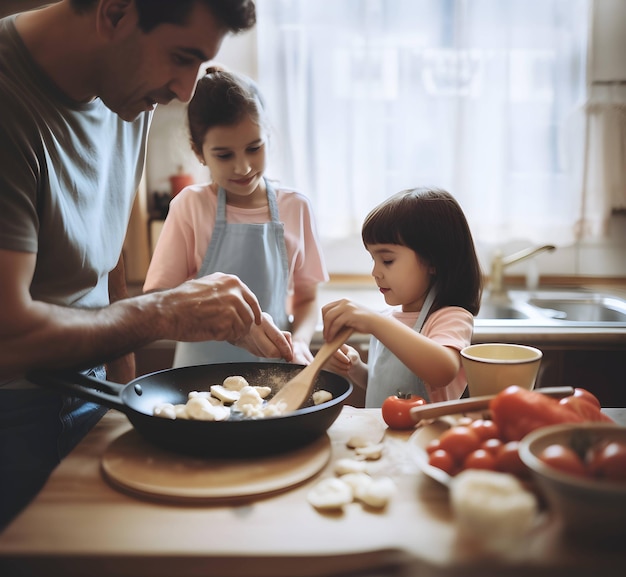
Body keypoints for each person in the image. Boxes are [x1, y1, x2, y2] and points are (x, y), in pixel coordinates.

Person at [0, 0, 294, 529]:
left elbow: (107, 246)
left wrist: (123, 383)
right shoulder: (9, 102)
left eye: (198, 66)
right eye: (181, 57)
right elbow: (7, 338)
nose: (186, 91)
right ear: (114, 13)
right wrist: (163, 311)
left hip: (92, 391)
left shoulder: (128, 96)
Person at [144, 66, 328, 366]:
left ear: (267, 136)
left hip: (274, 375)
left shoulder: (296, 207)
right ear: (199, 152)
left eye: (254, 148)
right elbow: (159, 301)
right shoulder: (188, 206)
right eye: (224, 155)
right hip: (198, 380)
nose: (242, 167)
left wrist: (301, 343)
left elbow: (306, 298)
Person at [321, 187, 483, 407]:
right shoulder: (387, 319)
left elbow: (443, 371)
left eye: (387, 260)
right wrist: (356, 368)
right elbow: (388, 389)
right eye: (373, 260)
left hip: (421, 440)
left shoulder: (450, 317)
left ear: (433, 261)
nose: (375, 272)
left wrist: (374, 322)